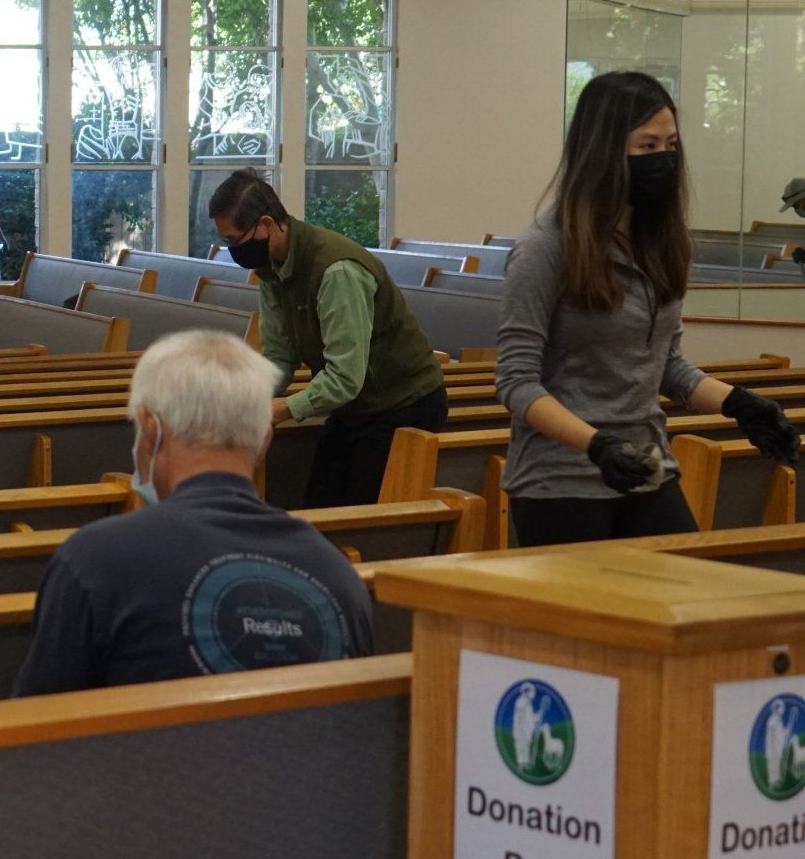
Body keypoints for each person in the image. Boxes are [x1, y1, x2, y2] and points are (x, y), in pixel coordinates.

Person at [496, 71, 798, 546]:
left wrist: (740, 404)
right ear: (603, 153)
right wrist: (597, 445)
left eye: (670, 145)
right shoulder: (545, 248)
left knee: (689, 584)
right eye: (647, 146)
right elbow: (516, 382)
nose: (664, 159)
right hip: (561, 481)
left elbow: (666, 365)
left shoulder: (661, 243)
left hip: (647, 467)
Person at [13, 330, 374, 696]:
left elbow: (38, 716)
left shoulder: (94, 558)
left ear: (150, 430)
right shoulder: (339, 575)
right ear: (265, 440)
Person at [208, 169, 447, 507]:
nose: (234, 251)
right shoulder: (271, 266)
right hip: (354, 407)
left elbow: (346, 376)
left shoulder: (336, 271)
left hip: (403, 406)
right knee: (318, 507)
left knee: (356, 520)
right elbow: (279, 357)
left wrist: (281, 409)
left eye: (234, 241)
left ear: (265, 225)